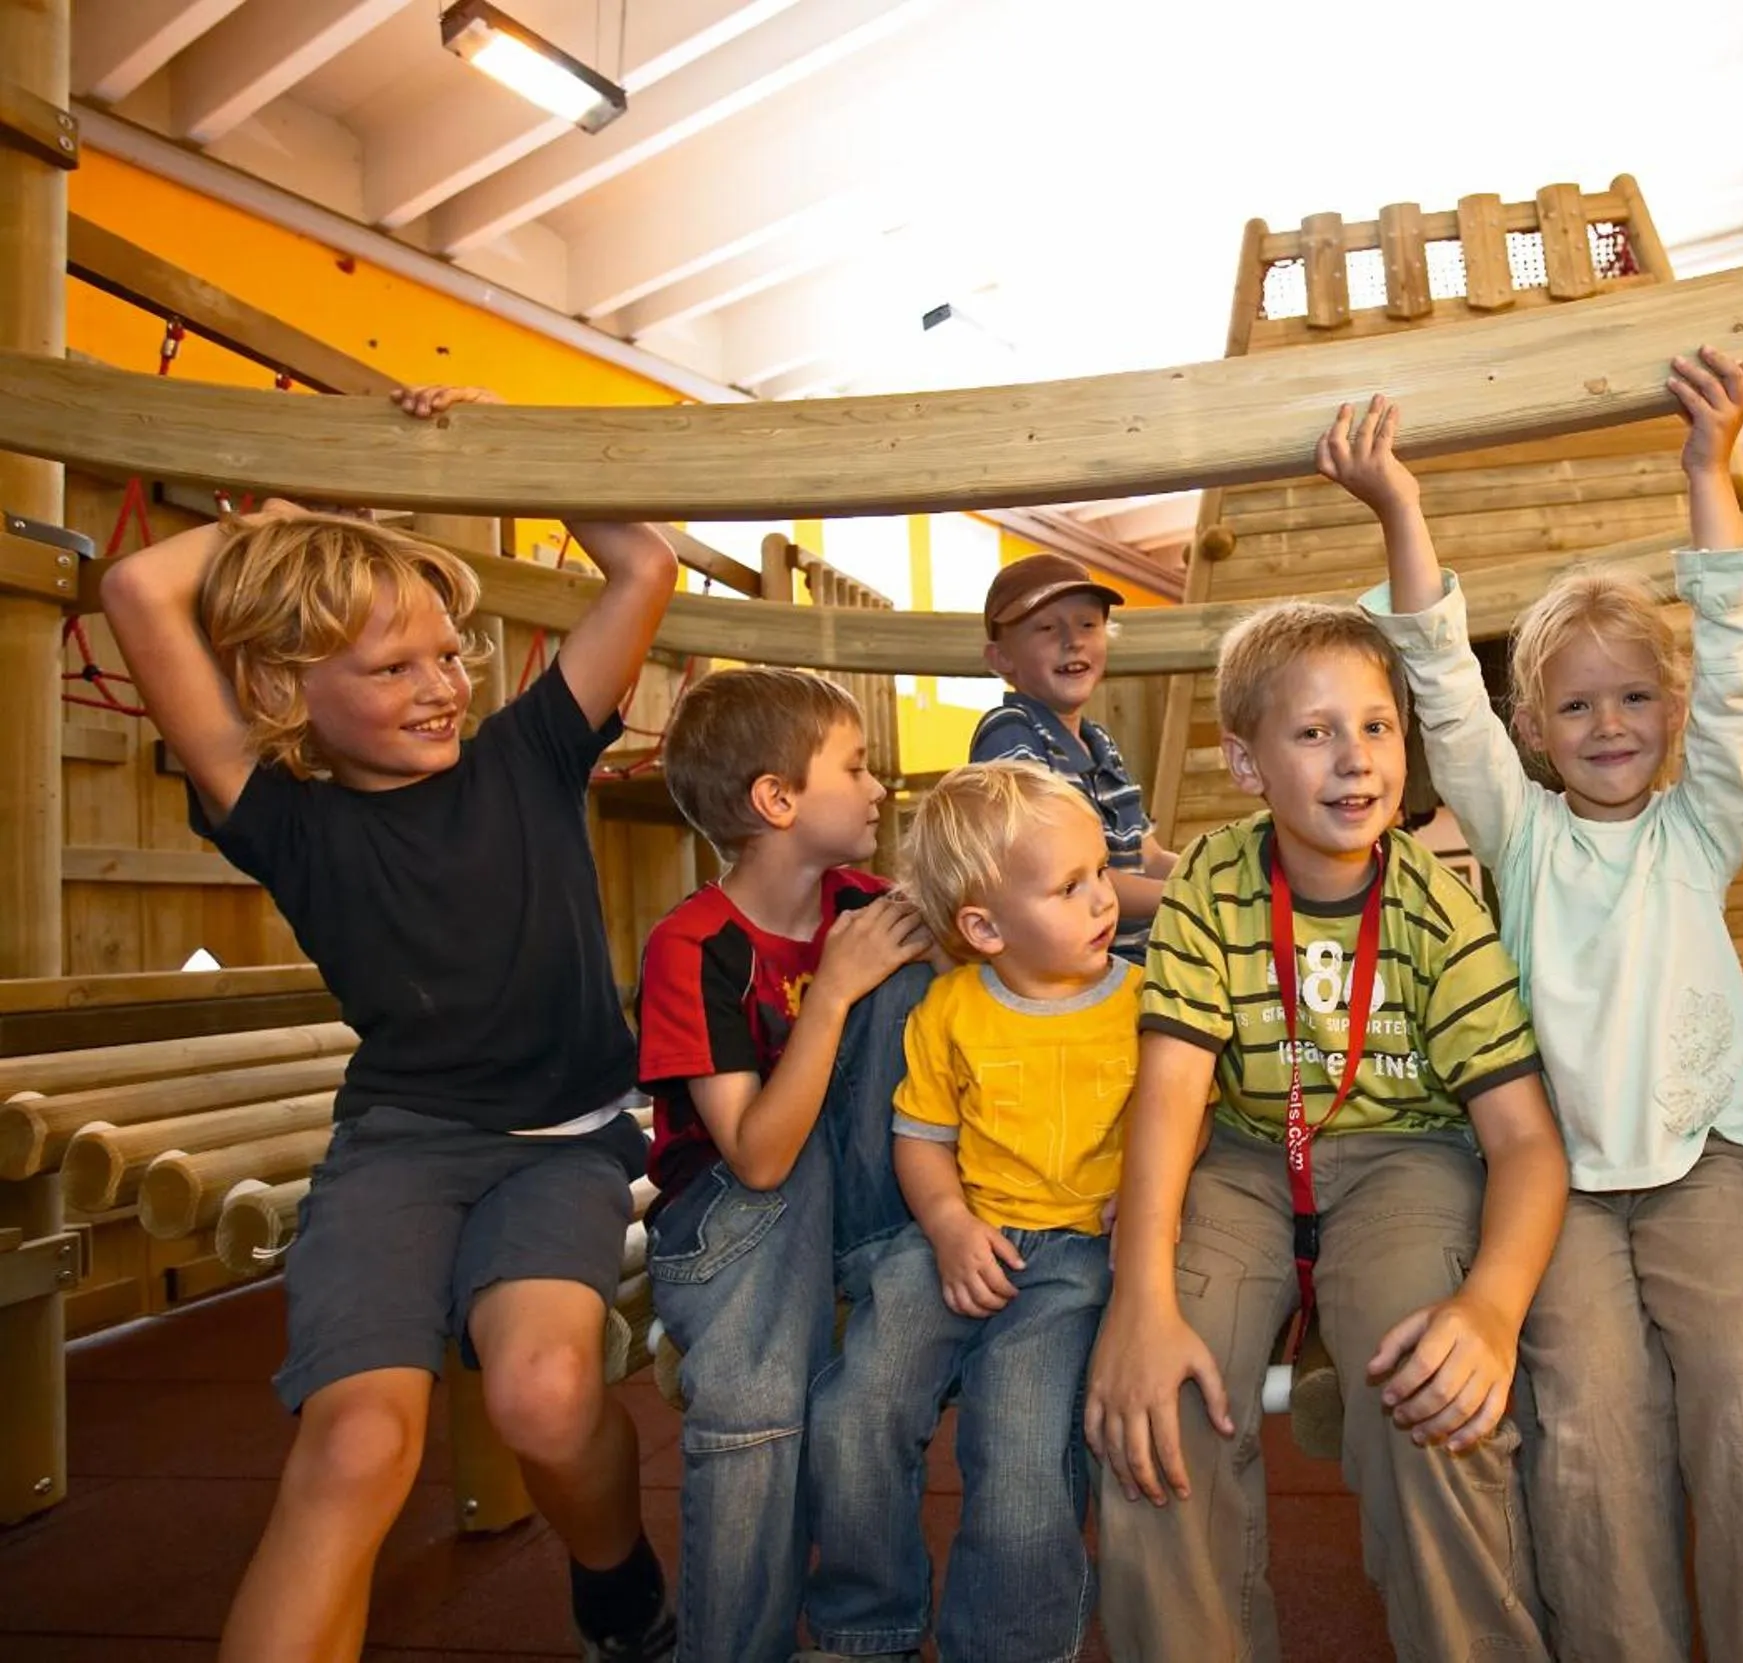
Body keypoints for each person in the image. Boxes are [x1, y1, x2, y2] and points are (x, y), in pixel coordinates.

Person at [99, 385, 682, 1663]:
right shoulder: (280, 817)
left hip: (564, 1138)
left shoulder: (529, 753)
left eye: (448, 654)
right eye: (390, 665)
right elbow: (142, 592)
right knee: (358, 1440)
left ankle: (619, 1591)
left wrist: (484, 442)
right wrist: (299, 508)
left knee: (542, 1391)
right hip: (403, 1143)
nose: (441, 685)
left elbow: (645, 562)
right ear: (284, 687)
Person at [1334, 350, 1743, 1662]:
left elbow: (1738, 663)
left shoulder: (1699, 823)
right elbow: (1436, 683)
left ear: (1671, 712)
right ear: (1532, 725)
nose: (1606, 722)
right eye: (1573, 703)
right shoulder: (1519, 834)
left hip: (1704, 1164)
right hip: (1558, 1187)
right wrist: (1398, 511)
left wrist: (1707, 471)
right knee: (1589, 1432)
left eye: (1633, 696)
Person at [1084, 597, 1571, 1663]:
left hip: (1406, 1160)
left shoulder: (1439, 910)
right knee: (1151, 1404)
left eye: (1378, 725)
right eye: (1313, 733)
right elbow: (1169, 1093)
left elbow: (1528, 1142)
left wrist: (1491, 1307)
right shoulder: (1213, 881)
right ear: (1247, 762)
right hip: (1250, 1157)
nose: (1355, 760)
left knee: (1435, 1393)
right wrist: (1140, 1298)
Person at [634, 665, 933, 1663]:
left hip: (857, 1205)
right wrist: (835, 992)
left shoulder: (866, 901)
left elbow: (1006, 901)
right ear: (777, 799)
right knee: (757, 1414)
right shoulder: (694, 943)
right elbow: (758, 1156)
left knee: (908, 963)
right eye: (854, 766)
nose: (878, 786)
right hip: (734, 1216)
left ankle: (864, 1635)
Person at [809, 761, 1136, 1663]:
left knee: (1021, 1447)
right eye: (1070, 887)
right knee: (854, 1410)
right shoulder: (952, 1008)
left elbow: (1177, 1117)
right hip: (958, 1234)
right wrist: (949, 1226)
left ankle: (1012, 1647)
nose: (1104, 899)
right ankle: (863, 1625)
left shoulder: (1138, 1005)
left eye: (1100, 873)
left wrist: (1145, 1186)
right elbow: (921, 1138)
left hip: (1073, 1258)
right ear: (984, 928)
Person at [970, 552, 1176, 959]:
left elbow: (1148, 855)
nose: (1073, 640)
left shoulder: (1099, 741)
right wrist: (1186, 898)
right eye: (1046, 627)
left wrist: (1214, 878)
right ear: (1002, 659)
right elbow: (1058, 877)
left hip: (1134, 957)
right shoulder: (1011, 734)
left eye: (1088, 624)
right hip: (1077, 967)